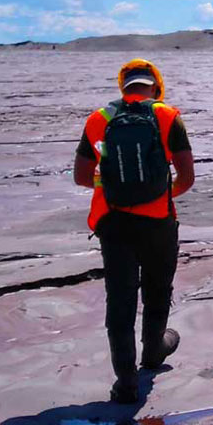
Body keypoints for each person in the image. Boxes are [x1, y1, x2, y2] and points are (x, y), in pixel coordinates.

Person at [72, 59, 195, 403]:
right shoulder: (168, 116)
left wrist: (110, 183)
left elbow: (82, 176)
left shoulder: (100, 119)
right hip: (158, 221)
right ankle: (153, 352)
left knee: (121, 299)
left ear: (122, 86)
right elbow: (186, 177)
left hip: (113, 222)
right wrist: (160, 193)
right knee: (157, 288)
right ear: (155, 86)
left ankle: (125, 383)